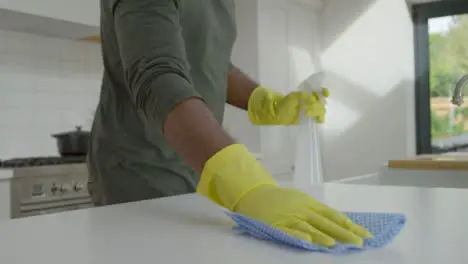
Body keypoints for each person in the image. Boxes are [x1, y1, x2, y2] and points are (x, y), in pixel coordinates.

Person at [87, 0, 372, 247]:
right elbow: (158, 76)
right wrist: (246, 185)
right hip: (140, 176)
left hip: (201, 172)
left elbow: (211, 62)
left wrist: (261, 101)